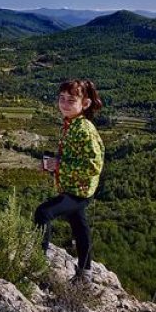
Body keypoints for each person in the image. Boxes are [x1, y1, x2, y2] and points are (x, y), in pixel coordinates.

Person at [34, 79, 105, 282]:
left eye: (71, 100)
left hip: (79, 190)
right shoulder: (71, 124)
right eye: (62, 99)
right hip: (75, 187)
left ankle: (38, 266)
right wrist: (52, 163)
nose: (64, 104)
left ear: (85, 103)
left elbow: (94, 166)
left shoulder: (84, 130)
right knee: (79, 226)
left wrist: (59, 165)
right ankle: (85, 272)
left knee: (43, 213)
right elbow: (71, 157)